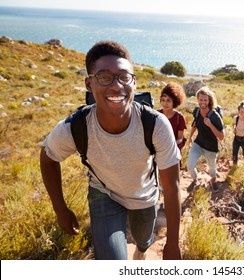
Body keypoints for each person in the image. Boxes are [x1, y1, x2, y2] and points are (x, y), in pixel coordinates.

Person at [40, 40, 182, 260]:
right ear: (89, 84)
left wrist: (173, 243)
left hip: (143, 195)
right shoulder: (75, 127)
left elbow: (172, 186)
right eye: (104, 77)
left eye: (124, 77)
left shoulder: (155, 124)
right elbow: (48, 158)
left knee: (143, 239)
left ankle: (142, 251)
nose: (116, 86)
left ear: (134, 83)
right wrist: (60, 209)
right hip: (103, 193)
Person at [186, 86, 225, 192]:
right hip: (198, 143)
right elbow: (194, 124)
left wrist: (210, 125)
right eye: (201, 99)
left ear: (209, 101)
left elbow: (221, 136)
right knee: (190, 165)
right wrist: (189, 138)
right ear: (198, 99)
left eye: (205, 100)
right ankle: (195, 181)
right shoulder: (197, 111)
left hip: (211, 147)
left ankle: (213, 180)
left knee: (212, 169)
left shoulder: (215, 116)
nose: (203, 102)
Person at [158, 82, 187, 155]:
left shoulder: (179, 117)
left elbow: (180, 139)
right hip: (158, 151)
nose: (165, 103)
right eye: (163, 100)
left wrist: (170, 146)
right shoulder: (156, 114)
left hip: (172, 152)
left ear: (174, 102)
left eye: (168, 100)